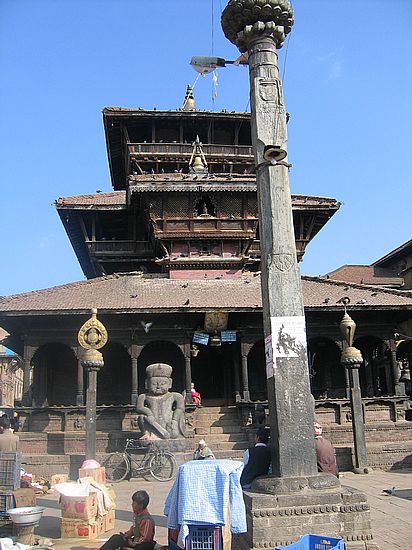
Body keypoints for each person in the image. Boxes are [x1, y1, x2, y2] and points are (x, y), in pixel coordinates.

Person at [136, 363, 185, 440]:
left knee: (174, 434)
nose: (158, 387)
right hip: (151, 422)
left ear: (170, 383)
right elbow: (139, 408)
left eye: (162, 384)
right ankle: (146, 434)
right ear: (147, 383)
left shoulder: (176, 396)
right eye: (154, 384)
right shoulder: (143, 396)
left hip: (169, 422)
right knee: (141, 417)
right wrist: (149, 414)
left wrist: (175, 420)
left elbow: (180, 408)